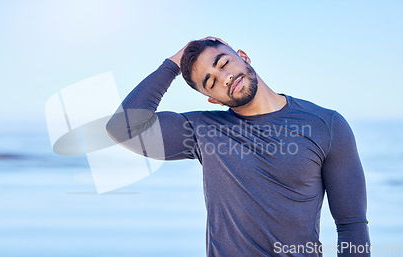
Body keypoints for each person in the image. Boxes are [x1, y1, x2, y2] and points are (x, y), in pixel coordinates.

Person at [106, 37, 370, 256]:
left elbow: (351, 226)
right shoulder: (202, 130)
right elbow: (124, 128)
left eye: (223, 63)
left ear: (243, 56)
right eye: (211, 81)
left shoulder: (326, 125)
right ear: (213, 99)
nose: (225, 77)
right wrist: (174, 64)